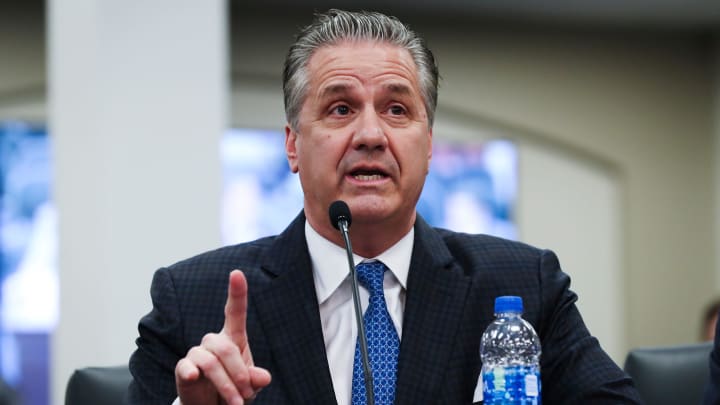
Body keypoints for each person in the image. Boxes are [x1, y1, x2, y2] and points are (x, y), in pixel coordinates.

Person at [126, 9, 641, 405]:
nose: (371, 134)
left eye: (397, 109)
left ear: (429, 145)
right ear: (292, 145)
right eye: (340, 109)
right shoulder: (192, 301)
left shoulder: (524, 285)